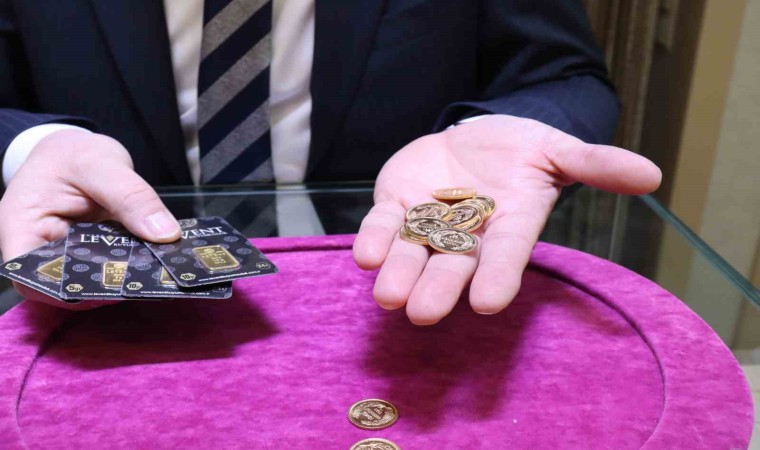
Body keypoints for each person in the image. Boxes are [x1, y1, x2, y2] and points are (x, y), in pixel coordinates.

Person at [0, 1, 660, 323]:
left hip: (386, 301)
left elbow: (561, 74)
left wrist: (499, 128)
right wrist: (33, 146)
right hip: (118, 312)